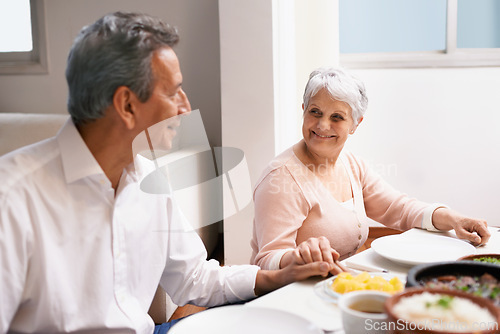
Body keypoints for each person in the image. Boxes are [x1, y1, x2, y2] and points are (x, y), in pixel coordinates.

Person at [0, 12, 335, 334]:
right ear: (127, 105)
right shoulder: (11, 200)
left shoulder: (149, 179)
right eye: (174, 91)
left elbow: (194, 278)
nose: (185, 107)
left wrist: (279, 276)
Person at [250, 66, 491, 273]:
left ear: (355, 124)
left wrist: (454, 218)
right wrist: (299, 257)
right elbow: (267, 261)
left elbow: (398, 208)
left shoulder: (351, 164)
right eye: (315, 112)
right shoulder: (281, 177)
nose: (323, 125)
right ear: (303, 110)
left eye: (337, 117)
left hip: (338, 285)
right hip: (292, 295)